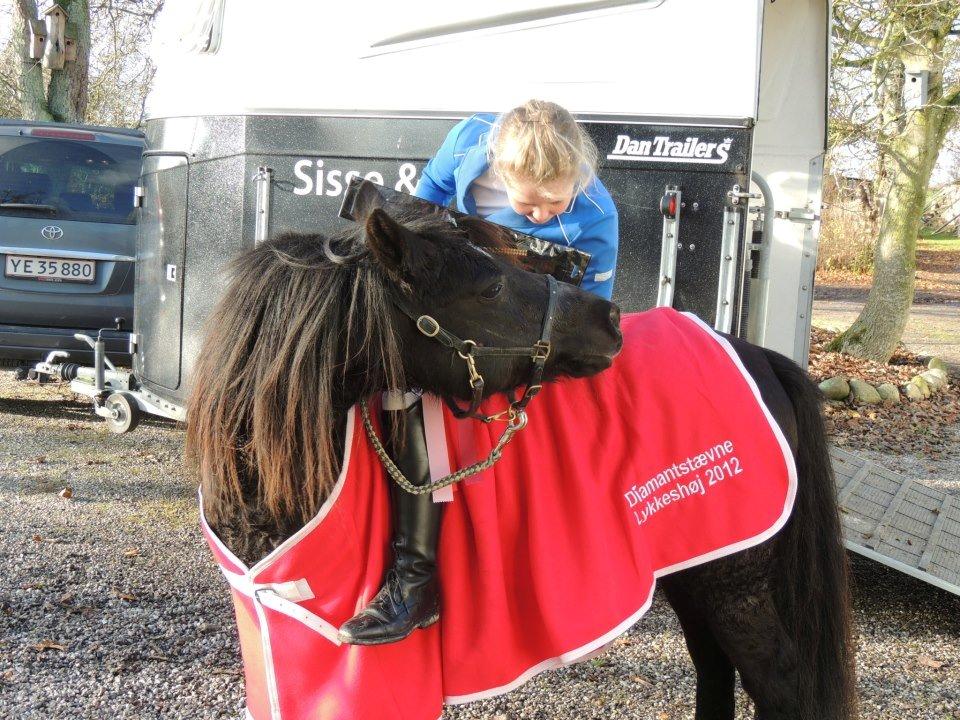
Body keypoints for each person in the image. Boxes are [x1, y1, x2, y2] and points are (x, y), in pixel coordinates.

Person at [337, 100, 619, 646]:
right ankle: (401, 568)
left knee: (426, 389)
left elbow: (588, 310)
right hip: (460, 289)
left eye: (554, 203)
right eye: (526, 202)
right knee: (392, 367)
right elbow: (424, 208)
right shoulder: (469, 139)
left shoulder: (597, 216)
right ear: (498, 168)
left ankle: (424, 580)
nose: (540, 214)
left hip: (525, 315)